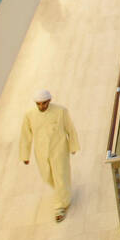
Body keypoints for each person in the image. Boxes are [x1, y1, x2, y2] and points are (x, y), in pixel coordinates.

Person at [19, 90, 80, 223]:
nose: (42, 106)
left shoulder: (60, 111)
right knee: (47, 176)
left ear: (49, 101)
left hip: (59, 149)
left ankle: (60, 206)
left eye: (44, 103)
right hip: (41, 152)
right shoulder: (29, 116)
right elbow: (26, 136)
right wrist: (25, 155)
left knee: (60, 176)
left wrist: (73, 146)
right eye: (39, 104)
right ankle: (63, 192)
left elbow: (70, 129)